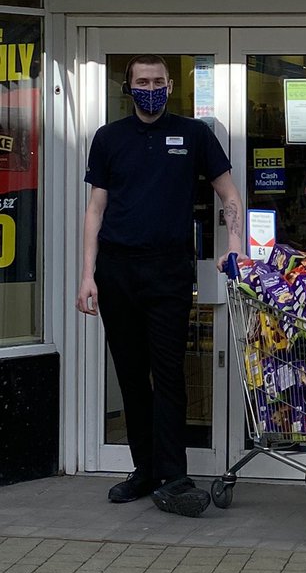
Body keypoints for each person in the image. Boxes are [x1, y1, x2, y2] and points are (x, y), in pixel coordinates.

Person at [76, 55, 243, 517]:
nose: (150, 87)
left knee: (169, 373)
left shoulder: (194, 135)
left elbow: (228, 194)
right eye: (141, 81)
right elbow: (96, 209)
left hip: (169, 270)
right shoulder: (109, 138)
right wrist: (88, 275)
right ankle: (144, 470)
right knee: (131, 375)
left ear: (171, 86)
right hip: (117, 270)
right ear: (129, 88)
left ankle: (174, 475)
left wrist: (233, 246)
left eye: (157, 81)